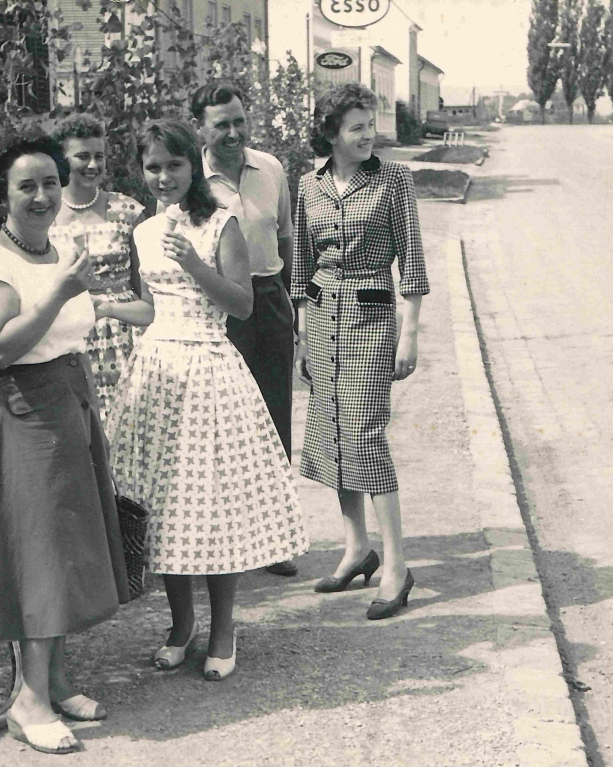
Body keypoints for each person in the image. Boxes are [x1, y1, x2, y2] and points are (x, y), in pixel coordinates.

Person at [103, 119, 308, 680]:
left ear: (193, 165)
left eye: (174, 165)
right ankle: (179, 625)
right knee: (164, 508)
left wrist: (195, 264)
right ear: (141, 171)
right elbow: (151, 308)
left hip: (210, 370)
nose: (164, 176)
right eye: (153, 166)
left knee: (212, 510)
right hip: (158, 372)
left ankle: (222, 630)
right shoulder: (144, 232)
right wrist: (105, 308)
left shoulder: (221, 223)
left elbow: (241, 305)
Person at [0, 133, 133, 754]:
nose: (41, 195)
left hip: (68, 404)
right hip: (23, 413)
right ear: (1, 193)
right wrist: (62, 291)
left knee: (69, 546)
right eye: (26, 185)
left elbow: (72, 330)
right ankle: (27, 703)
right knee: (41, 553)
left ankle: (53, 681)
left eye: (50, 183)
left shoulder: (56, 252)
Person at [291, 83, 430, 621]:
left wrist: (410, 332)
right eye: (356, 126)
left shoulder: (394, 180)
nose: (368, 133)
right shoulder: (309, 185)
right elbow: (302, 265)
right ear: (332, 133)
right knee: (331, 431)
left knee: (366, 433)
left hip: (372, 318)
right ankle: (357, 549)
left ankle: (395, 565)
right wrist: (303, 333)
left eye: (370, 123)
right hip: (323, 321)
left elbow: (412, 262)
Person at [189, 81, 299, 578]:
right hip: (220, 309)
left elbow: (285, 237)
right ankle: (230, 542)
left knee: (274, 417)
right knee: (225, 424)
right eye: (221, 125)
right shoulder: (191, 178)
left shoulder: (271, 167)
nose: (233, 133)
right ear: (200, 130)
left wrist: (290, 304)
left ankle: (276, 541)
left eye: (239, 121)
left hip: (269, 298)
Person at [49, 114, 152, 419]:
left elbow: (149, 298)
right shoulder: (45, 216)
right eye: (82, 156)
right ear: (62, 159)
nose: (92, 165)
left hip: (125, 338)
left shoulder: (127, 211)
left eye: (99, 156)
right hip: (68, 336)